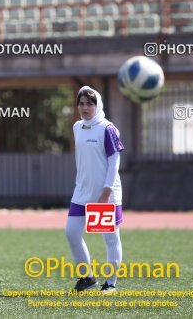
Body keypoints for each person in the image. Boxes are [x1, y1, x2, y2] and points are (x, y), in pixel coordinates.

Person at [65, 86, 124, 294]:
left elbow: (114, 161)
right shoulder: (76, 127)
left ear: (97, 105)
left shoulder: (107, 128)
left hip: (104, 195)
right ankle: (87, 277)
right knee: (71, 233)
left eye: (89, 103)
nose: (84, 107)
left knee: (110, 238)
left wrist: (106, 192)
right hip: (81, 193)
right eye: (81, 103)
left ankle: (111, 283)